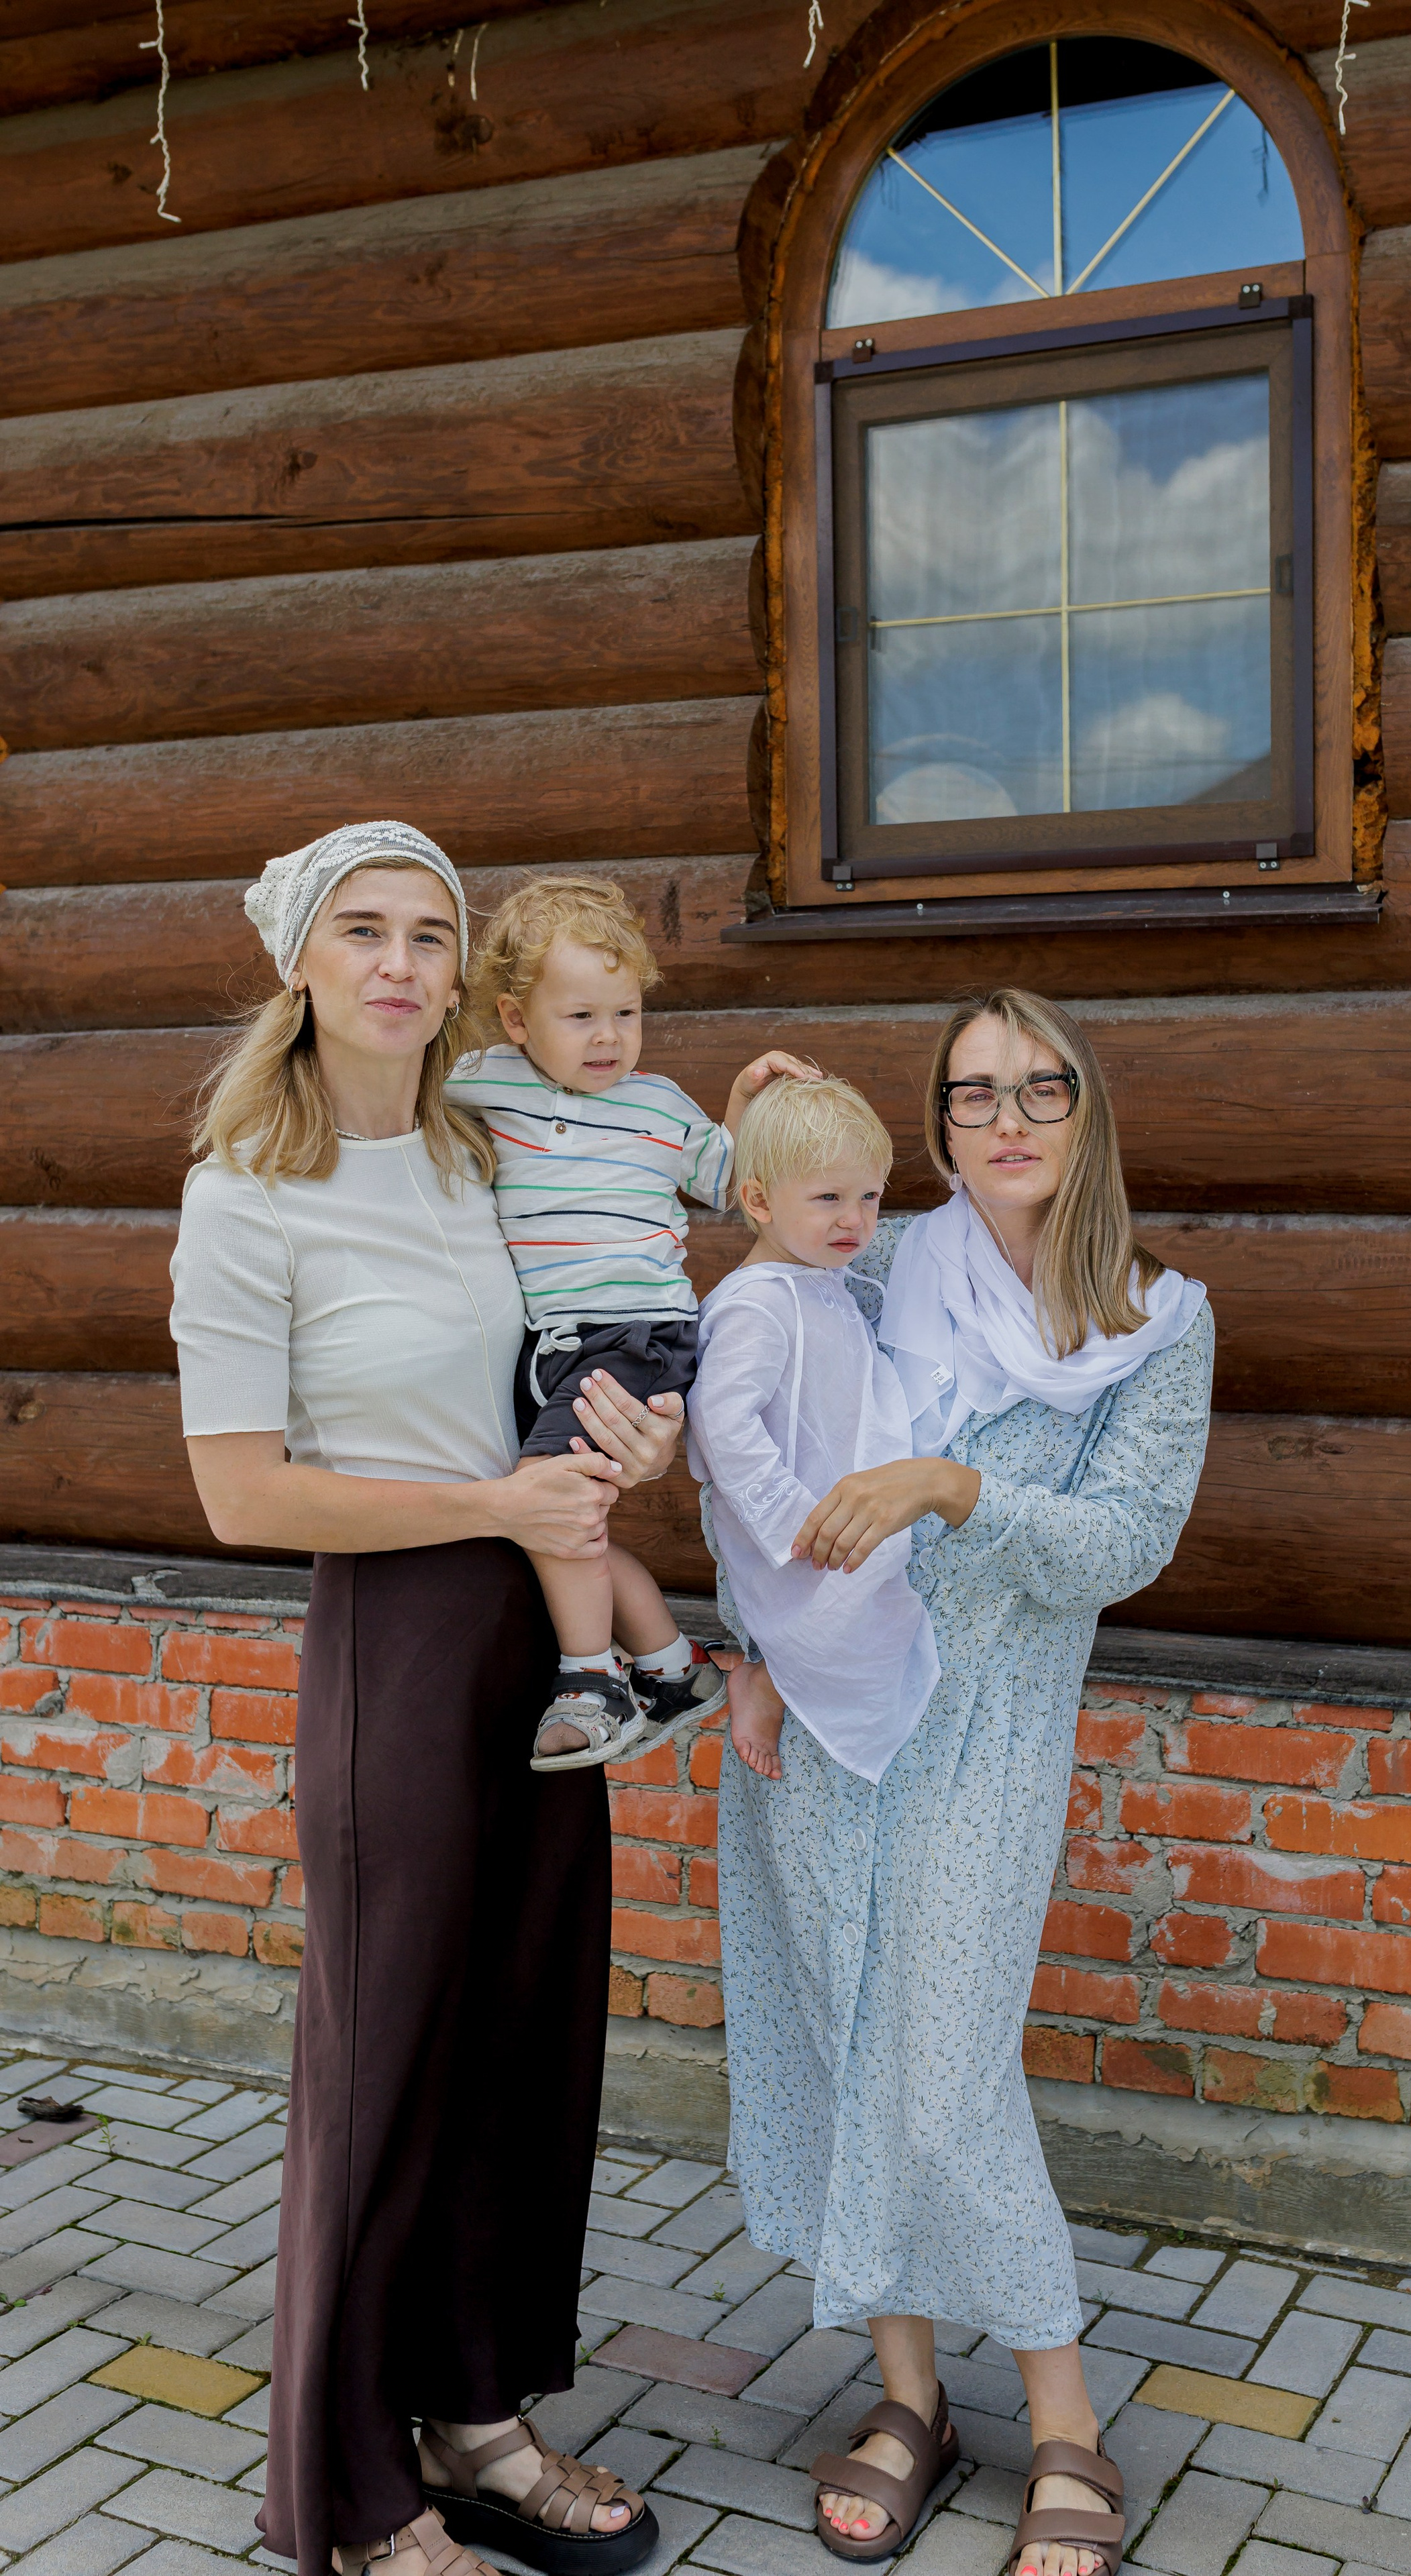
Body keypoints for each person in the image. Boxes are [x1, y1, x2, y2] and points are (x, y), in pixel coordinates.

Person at [170, 820, 676, 2576]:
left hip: (537, 1633)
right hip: (393, 1632)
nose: (397, 962)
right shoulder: (247, 1189)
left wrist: (635, 1427)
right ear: (300, 960)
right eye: (360, 930)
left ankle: (474, 2421)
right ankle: (349, 2493)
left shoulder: (489, 1151)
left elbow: (587, 1329)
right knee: (382, 2062)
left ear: (465, 977)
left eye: (428, 935)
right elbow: (241, 1496)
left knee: (522, 2045)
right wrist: (496, 1503)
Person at [713, 989, 1214, 2576]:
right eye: (971, 1094)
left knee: (942, 2059)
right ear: (933, 1124)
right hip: (827, 1717)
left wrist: (960, 1485)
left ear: (1085, 1112)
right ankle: (908, 2397)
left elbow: (1125, 1539)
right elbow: (760, 1425)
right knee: (846, 2024)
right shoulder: (874, 1267)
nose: (1005, 1119)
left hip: (985, 1728)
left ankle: (1062, 2412)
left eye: (1038, 1088)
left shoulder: (1150, 1317)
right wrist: (749, 1646)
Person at [447, 873, 815, 1769]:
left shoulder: (657, 1106)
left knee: (557, 1504)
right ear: (516, 1021)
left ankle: (589, 1679)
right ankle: (671, 1666)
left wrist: (745, 1100)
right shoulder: (486, 1083)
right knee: (547, 1513)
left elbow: (730, 1183)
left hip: (639, 1332)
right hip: (550, 1344)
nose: (610, 1037)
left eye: (627, 1012)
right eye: (580, 1017)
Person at [685, 1074, 939, 1784]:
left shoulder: (818, 1279)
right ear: (760, 1200)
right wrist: (787, 1517)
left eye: (869, 1196)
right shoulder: (756, 1304)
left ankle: (775, 1681)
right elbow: (720, 1420)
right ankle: (763, 1682)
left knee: (877, 1607)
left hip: (842, 1509)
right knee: (832, 1626)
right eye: (828, 1198)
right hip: (799, 1525)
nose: (854, 1219)